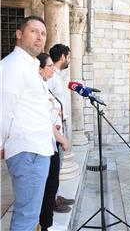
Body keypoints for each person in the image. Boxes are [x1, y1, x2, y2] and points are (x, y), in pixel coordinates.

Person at [0, 16, 54, 231]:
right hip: (28, 150)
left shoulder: (30, 65)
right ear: (19, 34)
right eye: (34, 31)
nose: (40, 37)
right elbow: (4, 108)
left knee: (31, 212)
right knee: (27, 215)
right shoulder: (13, 65)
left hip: (38, 148)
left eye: (43, 33)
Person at [37, 53, 70, 230]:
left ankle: (46, 223)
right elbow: (45, 119)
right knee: (49, 186)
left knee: (52, 184)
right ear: (40, 69)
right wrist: (61, 138)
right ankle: (45, 225)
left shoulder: (44, 86)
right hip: (47, 142)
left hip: (52, 142)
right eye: (49, 66)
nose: (53, 69)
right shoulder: (38, 88)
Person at [48, 43, 75, 212]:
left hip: (60, 125)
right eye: (69, 56)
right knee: (54, 166)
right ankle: (51, 201)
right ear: (63, 57)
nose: (70, 60)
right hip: (53, 128)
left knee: (57, 166)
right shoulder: (50, 76)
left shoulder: (56, 75)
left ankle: (55, 195)